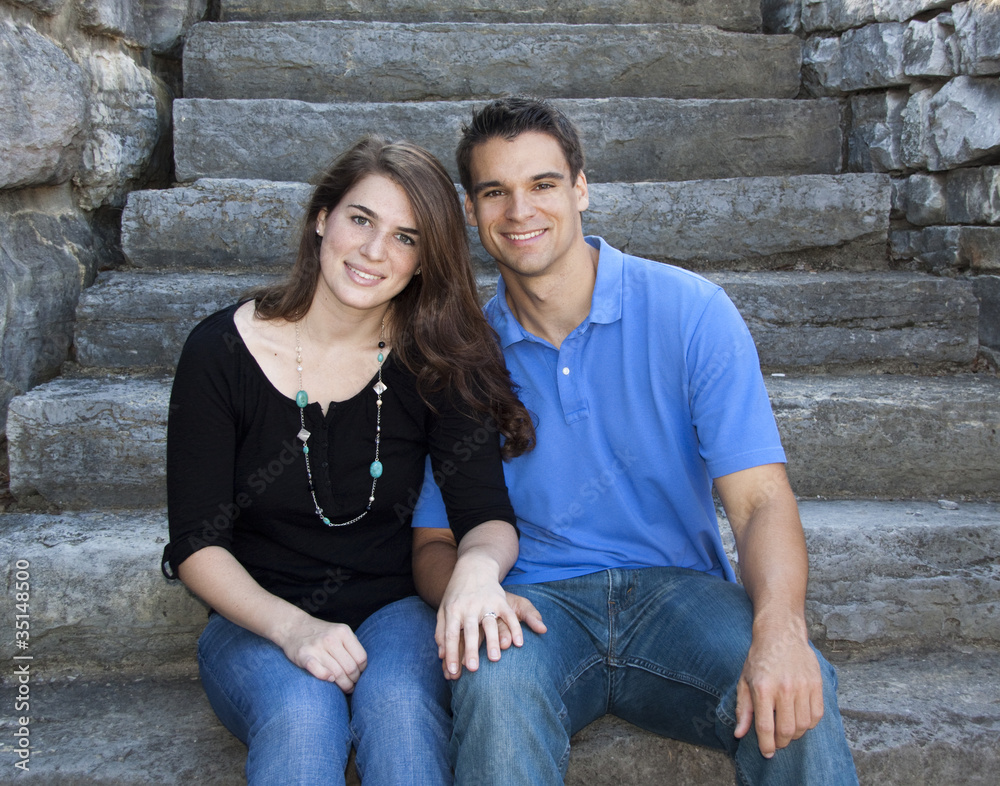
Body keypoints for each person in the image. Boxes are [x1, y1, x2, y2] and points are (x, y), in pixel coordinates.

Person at [411, 97, 859, 784]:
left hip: (679, 596)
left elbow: (761, 501)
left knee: (801, 691)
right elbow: (435, 544)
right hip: (535, 607)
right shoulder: (462, 353)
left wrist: (781, 630)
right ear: (470, 211)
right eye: (495, 191)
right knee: (495, 689)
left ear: (582, 188)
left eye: (543, 184)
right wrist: (473, 599)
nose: (519, 211)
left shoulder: (690, 312)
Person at [161, 136, 535, 785]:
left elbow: (487, 518)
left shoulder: (434, 360)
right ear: (321, 218)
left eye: (405, 238)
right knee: (301, 714)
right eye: (361, 220)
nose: (373, 252)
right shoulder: (219, 352)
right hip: (255, 616)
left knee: (397, 706)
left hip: (395, 612)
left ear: (423, 263)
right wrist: (294, 629)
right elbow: (197, 544)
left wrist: (477, 570)